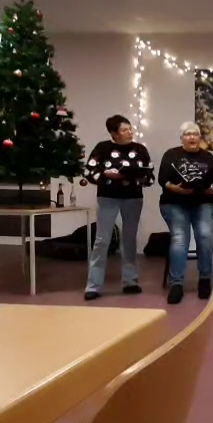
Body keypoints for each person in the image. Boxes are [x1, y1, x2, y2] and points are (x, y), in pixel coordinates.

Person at [83, 115, 154, 301]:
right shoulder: (102, 148)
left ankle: (130, 281)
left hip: (133, 198)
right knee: (102, 240)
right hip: (108, 197)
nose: (130, 132)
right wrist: (106, 174)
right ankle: (93, 285)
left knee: (129, 239)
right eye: (124, 130)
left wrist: (136, 176)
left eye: (130, 129)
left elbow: (150, 177)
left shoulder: (140, 150)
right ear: (113, 133)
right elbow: (89, 171)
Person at [157, 122, 213, 304]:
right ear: (182, 138)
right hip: (175, 203)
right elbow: (163, 180)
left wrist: (212, 188)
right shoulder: (171, 155)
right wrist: (175, 188)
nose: (192, 137)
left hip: (202, 202)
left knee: (205, 236)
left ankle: (205, 280)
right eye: (187, 134)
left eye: (195, 134)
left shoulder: (208, 157)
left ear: (200, 137)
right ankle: (176, 284)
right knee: (180, 239)